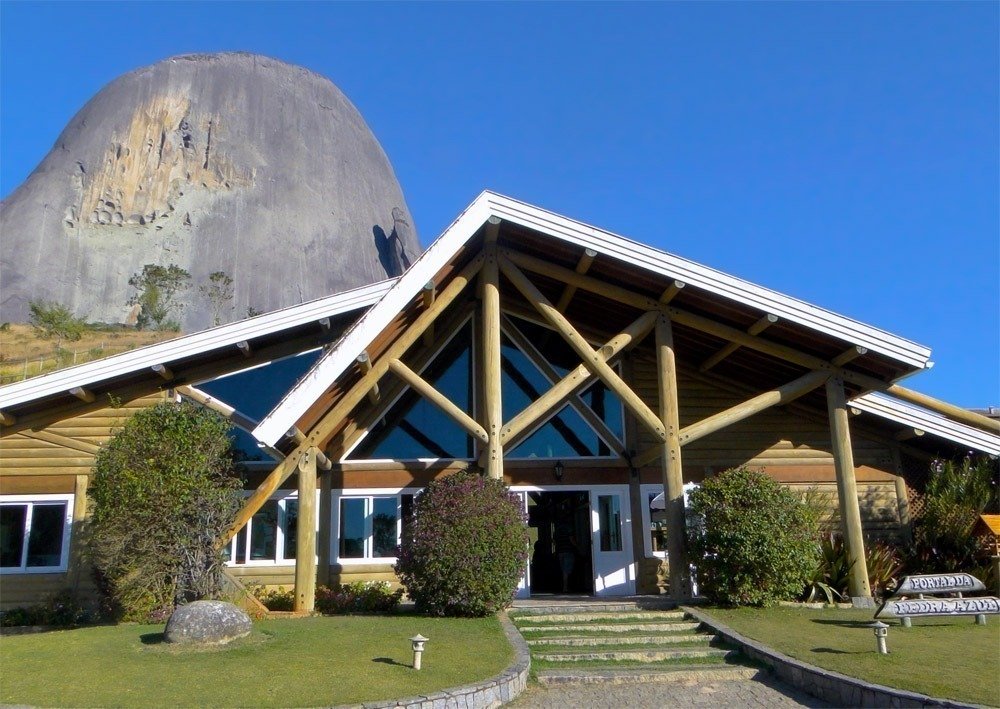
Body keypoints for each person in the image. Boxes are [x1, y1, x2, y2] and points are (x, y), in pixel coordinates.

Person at [552, 502, 577, 593]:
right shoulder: (569, 528)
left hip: (560, 552)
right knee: (567, 570)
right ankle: (566, 587)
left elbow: (554, 541)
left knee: (563, 569)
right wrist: (578, 546)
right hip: (568, 551)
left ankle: (565, 586)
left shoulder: (557, 530)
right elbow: (571, 539)